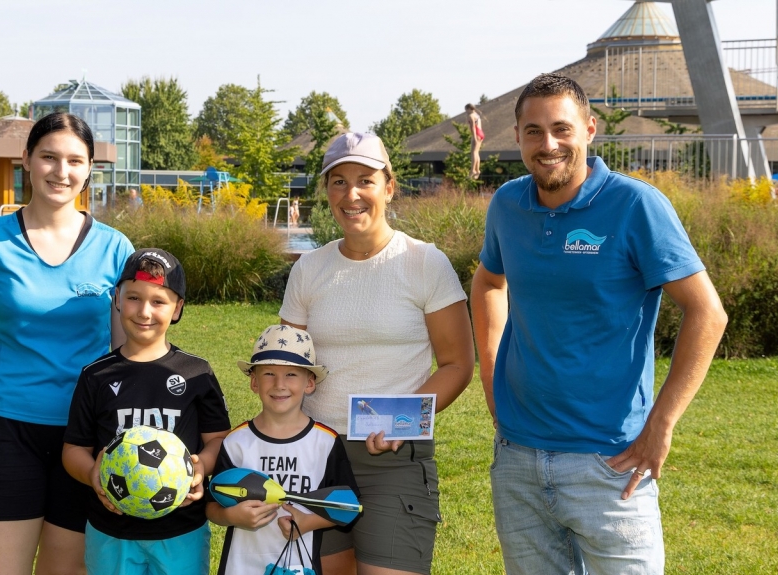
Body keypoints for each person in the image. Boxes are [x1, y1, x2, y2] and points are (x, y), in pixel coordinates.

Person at [470, 73, 728, 575]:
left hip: (610, 464)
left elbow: (707, 312)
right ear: (518, 136)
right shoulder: (507, 205)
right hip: (518, 459)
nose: (549, 145)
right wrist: (489, 369)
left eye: (562, 129)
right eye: (533, 132)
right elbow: (488, 284)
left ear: (589, 130)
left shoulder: (635, 206)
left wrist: (662, 424)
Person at [0, 112, 135, 575]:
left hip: (86, 436)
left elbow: (123, 354)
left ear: (90, 167)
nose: (61, 171)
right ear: (27, 160)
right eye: (49, 157)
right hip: (5, 430)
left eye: (75, 160)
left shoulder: (115, 249)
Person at [279, 132, 475, 575]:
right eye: (338, 181)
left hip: (394, 461)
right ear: (325, 190)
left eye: (365, 180)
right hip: (318, 458)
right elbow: (287, 366)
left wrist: (400, 422)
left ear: (389, 187)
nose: (351, 195)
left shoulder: (424, 262)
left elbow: (458, 364)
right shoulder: (309, 268)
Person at [63, 248, 232, 575]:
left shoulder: (196, 373)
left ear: (178, 308)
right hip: (110, 531)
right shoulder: (95, 376)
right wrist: (92, 475)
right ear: (116, 298)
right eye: (134, 298)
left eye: (159, 301)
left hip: (181, 531)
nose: (144, 311)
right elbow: (73, 449)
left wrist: (201, 470)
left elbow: (219, 440)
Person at [207, 324, 358, 575]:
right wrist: (233, 518)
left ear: (309, 382)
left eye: (291, 375)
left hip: (300, 566)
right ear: (254, 382)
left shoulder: (325, 443)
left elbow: (350, 506)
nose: (279, 384)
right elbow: (212, 506)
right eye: (268, 374)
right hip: (241, 566)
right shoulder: (236, 443)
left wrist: (307, 522)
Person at [465, 103, 484, 180]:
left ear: (469, 109)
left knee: (473, 152)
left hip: (477, 134)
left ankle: (472, 170)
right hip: (481, 133)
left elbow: (472, 127)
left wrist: (474, 137)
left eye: (466, 110)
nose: (466, 112)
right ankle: (477, 170)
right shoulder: (477, 115)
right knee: (477, 152)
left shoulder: (471, 116)